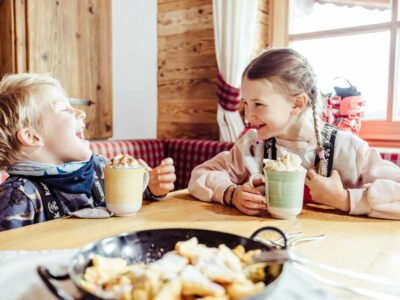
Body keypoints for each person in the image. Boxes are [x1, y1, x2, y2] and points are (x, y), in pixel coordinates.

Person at [189, 48, 400, 219]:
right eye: (246, 104)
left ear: (297, 103)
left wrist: (343, 199)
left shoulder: (349, 150)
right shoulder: (253, 145)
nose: (247, 116)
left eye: (259, 104)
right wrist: (231, 194)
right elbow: (200, 175)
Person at [0, 73, 176, 231]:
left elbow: (129, 200)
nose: (81, 113)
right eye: (63, 109)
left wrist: (151, 187)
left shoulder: (101, 168)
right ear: (32, 137)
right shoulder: (18, 197)